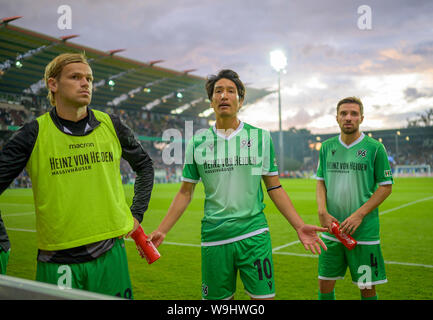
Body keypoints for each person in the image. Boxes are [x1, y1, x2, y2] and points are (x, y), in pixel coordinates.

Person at [149, 69, 327, 300]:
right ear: (211, 101)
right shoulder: (197, 143)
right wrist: (162, 229)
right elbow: (185, 192)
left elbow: (274, 187)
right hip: (215, 236)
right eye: (218, 91)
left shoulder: (260, 138)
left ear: (240, 100)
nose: (224, 95)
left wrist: (299, 225)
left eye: (231, 91)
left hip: (253, 234)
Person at [0, 53, 154, 298]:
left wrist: (137, 213)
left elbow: (145, 166)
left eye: (89, 78)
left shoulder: (111, 125)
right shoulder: (33, 134)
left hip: (110, 253)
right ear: (53, 84)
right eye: (75, 77)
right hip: (57, 259)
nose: (86, 83)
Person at [316, 97, 393, 300]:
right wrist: (322, 211)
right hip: (332, 230)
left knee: (367, 288)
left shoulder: (375, 148)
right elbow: (321, 181)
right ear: (337, 118)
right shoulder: (326, 147)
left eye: (353, 113)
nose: (348, 118)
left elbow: (386, 187)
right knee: (324, 283)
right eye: (344, 113)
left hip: (363, 232)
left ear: (361, 118)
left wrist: (359, 215)